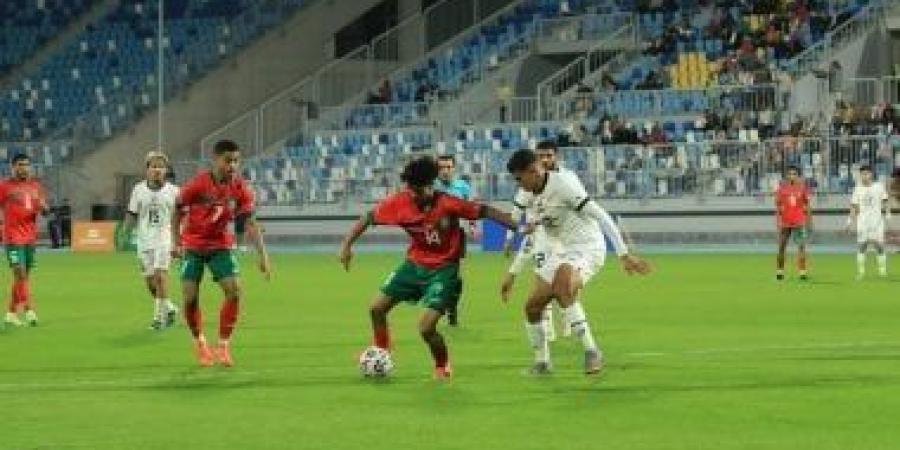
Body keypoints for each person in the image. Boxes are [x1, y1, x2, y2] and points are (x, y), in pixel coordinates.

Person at [338, 156, 516, 380]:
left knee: (426, 328)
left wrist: (518, 225)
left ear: (430, 187)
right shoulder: (400, 202)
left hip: (443, 270)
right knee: (376, 308)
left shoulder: (448, 203)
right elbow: (368, 218)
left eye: (417, 190)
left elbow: (486, 211)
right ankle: (382, 350)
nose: (412, 194)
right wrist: (346, 246)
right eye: (410, 189)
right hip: (414, 265)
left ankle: (442, 365)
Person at [504, 149, 651, 375]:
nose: (518, 183)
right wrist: (528, 229)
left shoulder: (563, 185)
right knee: (532, 307)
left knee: (563, 285)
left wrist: (623, 253)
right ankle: (542, 362)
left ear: (533, 171)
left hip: (587, 247)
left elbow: (600, 215)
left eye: (519, 177)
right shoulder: (529, 191)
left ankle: (592, 351)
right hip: (561, 249)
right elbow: (527, 223)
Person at [172, 140, 272, 367]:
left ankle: (223, 346)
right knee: (189, 298)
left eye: (236, 161)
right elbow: (177, 209)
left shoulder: (240, 188)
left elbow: (250, 222)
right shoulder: (197, 185)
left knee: (235, 292)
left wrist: (263, 256)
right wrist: (175, 242)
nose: (233, 166)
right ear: (215, 159)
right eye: (228, 160)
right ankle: (200, 342)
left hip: (220, 246)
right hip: (193, 247)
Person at [502, 141, 581, 341]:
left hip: (567, 239)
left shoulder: (568, 178)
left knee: (566, 286)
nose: (545, 159)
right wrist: (511, 237)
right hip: (542, 239)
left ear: (557, 157)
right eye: (541, 156)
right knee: (542, 285)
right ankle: (548, 332)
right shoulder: (528, 182)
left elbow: (580, 206)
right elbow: (516, 212)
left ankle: (569, 322)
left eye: (549, 155)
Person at [123, 151, 181, 330]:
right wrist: (126, 231)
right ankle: (169, 308)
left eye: (161, 166)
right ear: (147, 170)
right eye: (153, 166)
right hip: (144, 240)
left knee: (160, 276)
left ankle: (158, 319)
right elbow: (132, 213)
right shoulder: (138, 189)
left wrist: (178, 242)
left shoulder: (175, 191)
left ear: (166, 170)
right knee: (150, 283)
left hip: (165, 238)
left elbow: (182, 217)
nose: (157, 170)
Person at [0, 154, 48, 327]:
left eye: (27, 165)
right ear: (13, 167)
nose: (24, 168)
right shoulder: (4, 187)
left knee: (23, 277)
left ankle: (11, 313)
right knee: (19, 272)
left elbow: (44, 210)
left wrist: (44, 208)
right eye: (20, 165)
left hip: (29, 238)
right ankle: (29, 309)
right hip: (12, 238)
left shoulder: (36, 187)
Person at [434, 155, 473, 327]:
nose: (445, 171)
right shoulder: (431, 186)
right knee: (436, 274)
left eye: (448, 167)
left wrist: (472, 224)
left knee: (455, 278)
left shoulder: (462, 186)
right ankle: (437, 308)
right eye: (441, 167)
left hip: (457, 234)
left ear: (454, 168)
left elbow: (470, 207)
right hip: (434, 236)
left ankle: (452, 310)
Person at [846, 165, 890, 279]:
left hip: (877, 221)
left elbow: (885, 200)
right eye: (862, 174)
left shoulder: (879, 186)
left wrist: (888, 213)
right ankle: (861, 272)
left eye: (867, 173)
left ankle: (882, 271)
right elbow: (854, 206)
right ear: (860, 175)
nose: (864, 176)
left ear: (871, 174)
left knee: (879, 246)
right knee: (862, 246)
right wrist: (849, 220)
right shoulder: (858, 188)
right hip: (863, 222)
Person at [775, 165, 812, 281]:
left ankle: (802, 272)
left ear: (798, 176)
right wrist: (778, 221)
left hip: (799, 222)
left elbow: (807, 205)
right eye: (790, 174)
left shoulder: (803, 188)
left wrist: (809, 221)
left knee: (801, 247)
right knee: (781, 247)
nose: (792, 176)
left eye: (794, 174)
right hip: (785, 223)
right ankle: (780, 272)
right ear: (786, 176)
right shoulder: (781, 189)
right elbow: (778, 206)